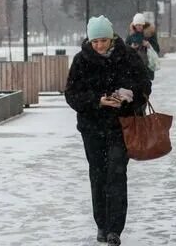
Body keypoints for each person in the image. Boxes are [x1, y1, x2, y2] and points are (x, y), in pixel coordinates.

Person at [65, 16, 152, 245]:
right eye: (95, 42)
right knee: (98, 175)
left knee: (116, 174)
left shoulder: (128, 57)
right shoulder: (81, 61)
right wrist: (98, 100)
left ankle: (115, 229)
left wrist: (128, 96)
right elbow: (71, 95)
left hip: (121, 125)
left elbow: (145, 85)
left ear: (111, 37)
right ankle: (101, 225)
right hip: (92, 127)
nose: (100, 46)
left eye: (103, 40)